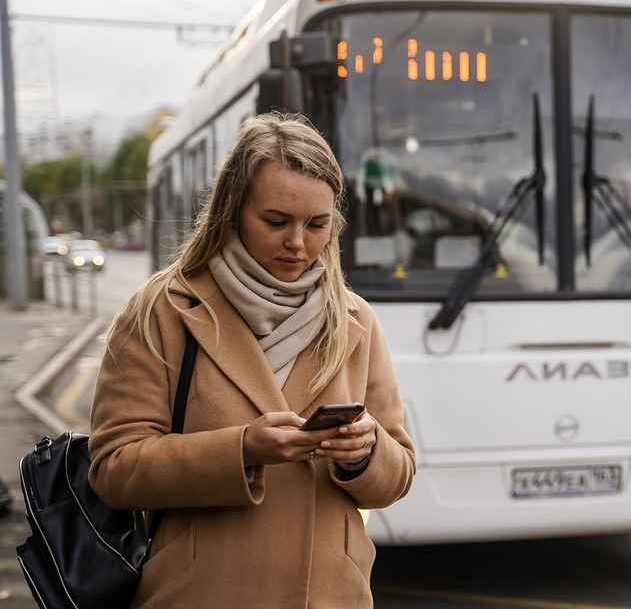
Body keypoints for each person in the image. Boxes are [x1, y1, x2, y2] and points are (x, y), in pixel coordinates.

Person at [88, 111, 416, 608]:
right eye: (276, 221)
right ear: (232, 210)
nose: (298, 243)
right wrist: (241, 450)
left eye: (318, 224)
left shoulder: (355, 319)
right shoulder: (163, 309)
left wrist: (366, 453)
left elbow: (399, 473)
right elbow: (114, 469)